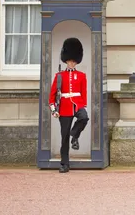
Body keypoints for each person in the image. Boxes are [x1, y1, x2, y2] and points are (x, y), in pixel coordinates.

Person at [49, 37, 89, 173]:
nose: (71, 63)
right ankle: (64, 164)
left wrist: (83, 105)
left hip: (77, 104)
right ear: (66, 61)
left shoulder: (82, 75)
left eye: (73, 61)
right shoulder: (59, 76)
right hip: (64, 107)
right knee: (64, 137)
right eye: (70, 61)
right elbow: (52, 94)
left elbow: (83, 93)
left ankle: (75, 135)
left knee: (84, 117)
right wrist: (54, 109)